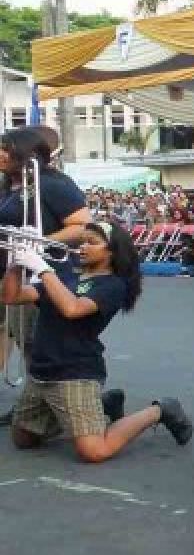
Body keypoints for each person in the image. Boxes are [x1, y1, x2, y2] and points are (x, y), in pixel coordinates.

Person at [3, 221, 193, 461]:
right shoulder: (66, 274)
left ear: (112, 251)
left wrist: (42, 268)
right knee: (24, 440)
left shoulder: (113, 285)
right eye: (82, 241)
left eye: (92, 242)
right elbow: (12, 296)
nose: (83, 247)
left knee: (93, 451)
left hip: (75, 372)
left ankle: (159, 410)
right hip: (42, 370)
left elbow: (72, 309)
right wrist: (16, 260)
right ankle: (100, 407)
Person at [0, 126, 91, 427]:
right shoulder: (10, 186)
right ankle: (35, 406)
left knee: (40, 343)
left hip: (46, 275)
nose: (0, 154)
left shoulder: (51, 184)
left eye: (5, 149)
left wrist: (37, 245)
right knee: (26, 342)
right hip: (14, 275)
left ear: (24, 153)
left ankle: (53, 410)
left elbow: (81, 226)